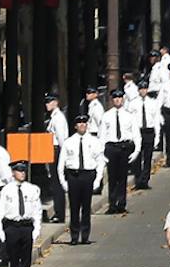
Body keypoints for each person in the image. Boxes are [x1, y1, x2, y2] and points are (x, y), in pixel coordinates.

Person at [0, 161, 43, 267]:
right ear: (13, 173)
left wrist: (37, 229)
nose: (22, 173)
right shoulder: (7, 190)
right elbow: (0, 212)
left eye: (23, 171)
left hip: (26, 226)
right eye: (19, 171)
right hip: (12, 226)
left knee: (26, 259)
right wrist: (0, 230)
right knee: (14, 259)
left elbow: (36, 210)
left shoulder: (32, 189)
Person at [58, 111, 103, 243]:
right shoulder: (69, 142)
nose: (82, 125)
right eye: (79, 123)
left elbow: (100, 162)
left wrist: (97, 180)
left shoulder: (94, 141)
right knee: (74, 207)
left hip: (88, 175)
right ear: (75, 126)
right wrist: (63, 182)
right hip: (73, 176)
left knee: (86, 207)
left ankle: (85, 236)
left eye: (84, 123)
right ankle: (74, 236)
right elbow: (61, 165)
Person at [102, 92, 139, 214]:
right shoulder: (106, 116)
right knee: (112, 178)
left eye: (119, 98)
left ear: (123, 99)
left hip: (124, 147)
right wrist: (101, 153)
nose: (117, 100)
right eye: (115, 98)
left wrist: (136, 150)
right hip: (111, 147)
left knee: (123, 177)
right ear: (112, 100)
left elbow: (135, 134)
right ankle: (112, 204)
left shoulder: (129, 116)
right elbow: (101, 135)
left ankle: (121, 203)